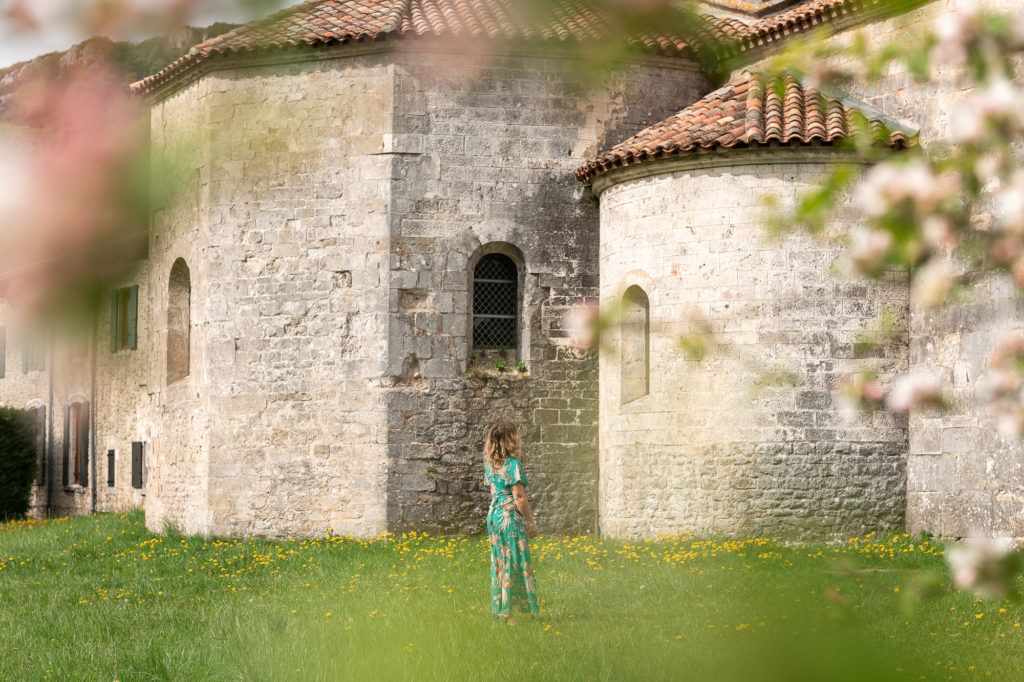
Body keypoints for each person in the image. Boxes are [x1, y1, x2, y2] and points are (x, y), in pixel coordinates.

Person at [484, 419, 539, 619]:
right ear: (511, 440)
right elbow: (518, 497)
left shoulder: (490, 465)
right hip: (509, 517)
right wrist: (530, 522)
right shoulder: (513, 465)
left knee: (499, 560)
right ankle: (508, 612)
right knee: (513, 561)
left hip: (494, 515)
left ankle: (502, 608)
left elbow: (493, 492)